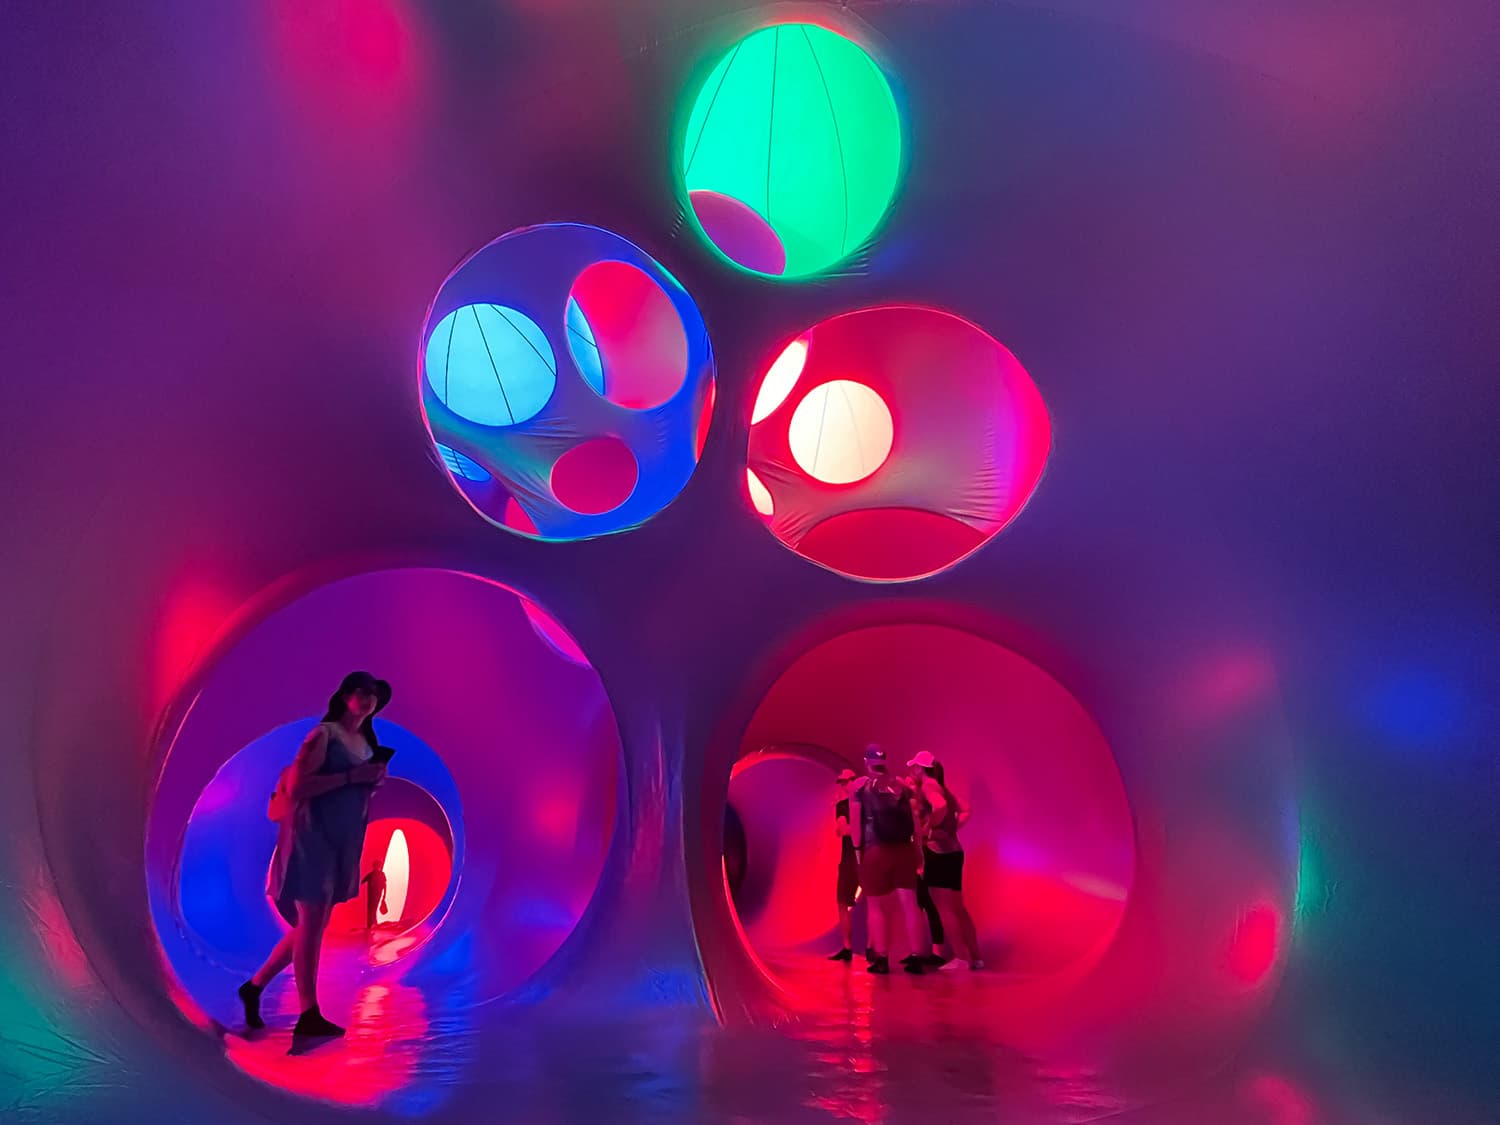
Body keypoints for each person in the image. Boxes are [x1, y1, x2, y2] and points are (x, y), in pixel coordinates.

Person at [238, 671, 391, 1038]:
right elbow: (299, 785)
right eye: (360, 691)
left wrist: (372, 780)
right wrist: (353, 778)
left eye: (373, 694)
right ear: (344, 695)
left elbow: (353, 791)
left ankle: (254, 987)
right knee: (311, 923)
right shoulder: (325, 735)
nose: (367, 698)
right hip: (311, 836)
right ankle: (309, 1012)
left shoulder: (366, 742)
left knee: (313, 924)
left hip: (342, 839)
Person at [850, 744, 928, 975]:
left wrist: (858, 852)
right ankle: (916, 957)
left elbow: (855, 824)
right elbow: (914, 821)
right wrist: (918, 851)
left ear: (866, 761)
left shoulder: (858, 787)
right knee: (910, 904)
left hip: (875, 851)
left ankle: (882, 958)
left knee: (876, 907)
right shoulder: (902, 785)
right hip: (903, 850)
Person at [909, 751, 983, 970]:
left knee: (944, 907)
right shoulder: (945, 788)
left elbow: (939, 806)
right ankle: (975, 957)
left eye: (914, 767)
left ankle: (960, 958)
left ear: (920, 769)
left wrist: (929, 827)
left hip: (938, 852)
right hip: (955, 852)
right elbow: (966, 808)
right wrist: (951, 828)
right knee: (958, 907)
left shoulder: (928, 787)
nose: (913, 771)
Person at [828, 768, 860, 962]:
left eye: (844, 781)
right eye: (840, 782)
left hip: (854, 859)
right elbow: (842, 829)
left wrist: (850, 830)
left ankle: (853, 947)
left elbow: (844, 829)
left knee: (845, 901)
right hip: (856, 857)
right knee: (844, 901)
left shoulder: (849, 805)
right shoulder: (847, 805)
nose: (842, 785)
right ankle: (849, 947)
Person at [361, 865, 388, 932]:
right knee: (372, 909)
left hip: (374, 895)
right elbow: (384, 885)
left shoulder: (375, 874)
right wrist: (384, 895)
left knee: (372, 909)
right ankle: (371, 925)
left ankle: (371, 925)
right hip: (373, 895)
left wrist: (384, 896)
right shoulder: (376, 874)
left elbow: (384, 885)